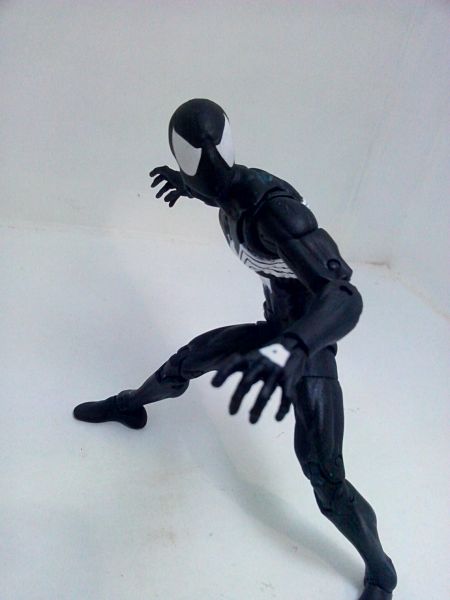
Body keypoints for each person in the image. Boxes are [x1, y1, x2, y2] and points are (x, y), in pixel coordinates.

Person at [74, 99, 397, 600]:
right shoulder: (223, 187)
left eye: (207, 164)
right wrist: (189, 186)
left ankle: (381, 570)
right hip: (274, 331)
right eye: (194, 166)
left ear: (223, 152)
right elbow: (217, 186)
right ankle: (130, 405)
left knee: (325, 475)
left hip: (307, 344)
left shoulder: (279, 216)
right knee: (188, 360)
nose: (206, 174)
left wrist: (294, 348)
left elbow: (344, 295)